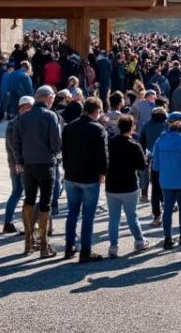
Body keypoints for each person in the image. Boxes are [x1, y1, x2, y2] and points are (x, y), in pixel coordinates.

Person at [11, 86, 62, 257]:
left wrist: (19, 161)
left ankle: (28, 242)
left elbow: (15, 141)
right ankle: (44, 246)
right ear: (48, 98)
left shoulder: (23, 117)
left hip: (28, 165)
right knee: (45, 201)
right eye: (52, 97)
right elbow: (56, 143)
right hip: (46, 163)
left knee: (29, 199)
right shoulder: (50, 116)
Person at [62, 97, 108, 262]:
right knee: (88, 215)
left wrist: (67, 169)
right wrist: (103, 172)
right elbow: (102, 155)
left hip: (71, 175)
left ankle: (69, 247)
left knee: (72, 213)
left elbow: (64, 151)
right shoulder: (98, 129)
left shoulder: (69, 127)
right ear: (96, 111)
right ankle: (85, 250)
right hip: (89, 176)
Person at [105, 115, 151, 258]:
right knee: (132, 217)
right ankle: (139, 241)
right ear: (132, 128)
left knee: (114, 218)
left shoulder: (110, 143)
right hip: (129, 184)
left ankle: (113, 246)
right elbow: (141, 166)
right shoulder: (134, 145)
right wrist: (147, 159)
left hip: (111, 184)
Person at [152, 112, 181, 249]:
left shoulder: (160, 141)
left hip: (165, 180)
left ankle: (167, 237)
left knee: (167, 209)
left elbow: (155, 165)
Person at [2, 95, 33, 235]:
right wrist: (20, 163)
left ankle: (8, 222)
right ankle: (26, 225)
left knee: (16, 192)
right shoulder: (19, 122)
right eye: (30, 107)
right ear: (23, 107)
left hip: (13, 163)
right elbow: (15, 146)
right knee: (26, 193)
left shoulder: (13, 122)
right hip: (21, 164)